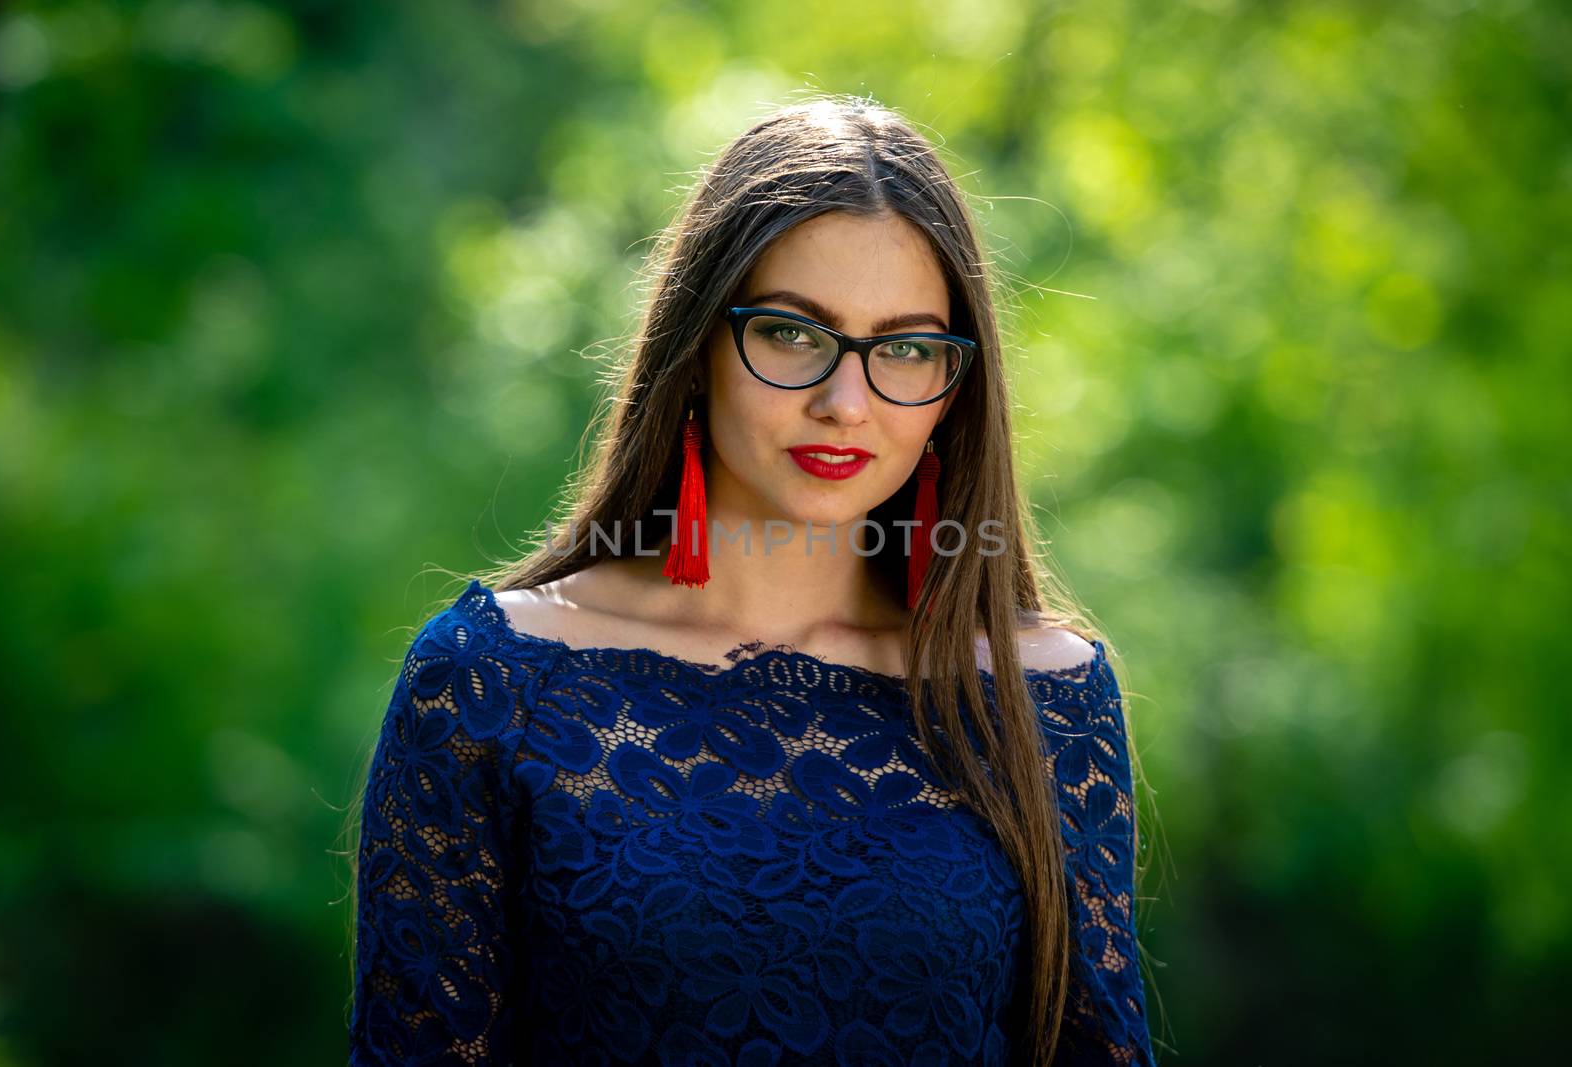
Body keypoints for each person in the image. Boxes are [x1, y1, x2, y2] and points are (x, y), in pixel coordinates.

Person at [347, 94, 1157, 1066]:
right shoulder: (493, 683)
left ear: (953, 390)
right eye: (790, 332)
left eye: (904, 348)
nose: (844, 401)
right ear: (698, 348)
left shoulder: (1048, 693)